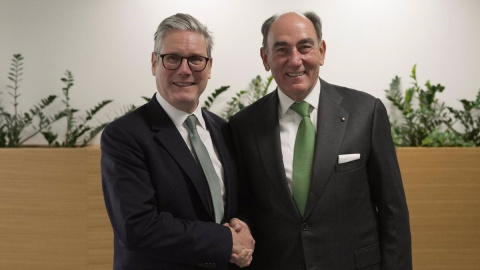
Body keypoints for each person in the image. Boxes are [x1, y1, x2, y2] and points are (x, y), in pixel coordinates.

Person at [229, 11, 412, 269]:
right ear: (265, 58)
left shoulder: (366, 112)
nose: (295, 60)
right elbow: (245, 204)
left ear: (322, 51)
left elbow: (393, 211)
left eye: (305, 47)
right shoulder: (243, 126)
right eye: (281, 49)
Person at [101, 13, 254, 270]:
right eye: (172, 58)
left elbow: (239, 202)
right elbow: (138, 227)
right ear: (154, 63)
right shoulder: (124, 136)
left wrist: (242, 227)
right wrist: (225, 241)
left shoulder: (224, 129)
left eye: (195, 59)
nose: (185, 70)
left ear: (209, 66)